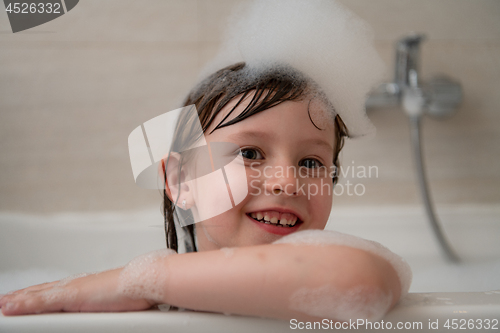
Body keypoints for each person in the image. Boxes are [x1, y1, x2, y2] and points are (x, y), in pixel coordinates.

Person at [0, 62, 411, 321]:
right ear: (180, 181)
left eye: (311, 163)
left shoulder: (352, 263)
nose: (286, 181)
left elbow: (361, 283)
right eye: (250, 152)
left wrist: (141, 280)